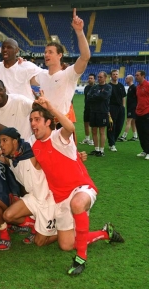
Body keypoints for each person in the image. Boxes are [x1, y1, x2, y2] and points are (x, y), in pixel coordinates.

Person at [29, 93, 124, 275]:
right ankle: (105, 233)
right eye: (31, 120)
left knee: (77, 204)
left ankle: (81, 259)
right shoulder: (35, 147)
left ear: (48, 122)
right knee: (66, 245)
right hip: (60, 198)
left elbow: (70, 126)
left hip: (81, 188)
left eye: (37, 119)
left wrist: (50, 107)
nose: (33, 124)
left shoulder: (59, 136)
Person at [31, 8, 90, 120]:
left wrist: (79, 32)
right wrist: (20, 62)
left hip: (61, 124)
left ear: (60, 55)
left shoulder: (68, 74)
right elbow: (24, 76)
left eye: (50, 52)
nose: (46, 55)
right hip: (45, 124)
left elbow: (85, 57)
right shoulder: (41, 75)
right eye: (45, 52)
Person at [86, 72, 112, 157]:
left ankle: (102, 150)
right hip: (93, 111)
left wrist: (96, 96)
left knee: (101, 131)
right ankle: (96, 149)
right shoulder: (94, 87)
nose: (99, 78)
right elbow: (89, 97)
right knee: (93, 131)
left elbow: (104, 97)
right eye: (98, 77)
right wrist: (98, 96)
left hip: (103, 111)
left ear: (105, 78)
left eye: (101, 77)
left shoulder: (108, 87)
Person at [107, 69, 127, 152]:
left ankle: (113, 141)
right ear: (111, 76)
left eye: (116, 74)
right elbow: (106, 99)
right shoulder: (108, 86)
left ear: (118, 75)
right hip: (111, 108)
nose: (115, 75)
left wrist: (123, 107)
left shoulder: (121, 86)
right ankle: (112, 144)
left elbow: (123, 97)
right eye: (114, 74)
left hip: (120, 108)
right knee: (111, 126)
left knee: (119, 126)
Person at [118, 75, 138, 142]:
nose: (125, 79)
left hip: (132, 107)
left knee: (128, 121)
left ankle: (124, 136)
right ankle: (135, 136)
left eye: (126, 78)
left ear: (130, 79)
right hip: (131, 107)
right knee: (133, 122)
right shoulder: (130, 88)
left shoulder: (134, 88)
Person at [134, 70, 149, 160]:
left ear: (143, 76)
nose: (136, 77)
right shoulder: (138, 87)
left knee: (147, 132)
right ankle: (144, 150)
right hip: (138, 112)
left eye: (138, 75)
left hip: (147, 112)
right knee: (140, 132)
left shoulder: (147, 85)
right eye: (136, 75)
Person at [80, 74, 96, 145]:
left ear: (94, 79)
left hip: (94, 109)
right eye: (89, 78)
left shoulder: (96, 87)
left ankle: (93, 139)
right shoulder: (86, 87)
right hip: (86, 108)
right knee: (86, 123)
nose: (89, 79)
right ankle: (87, 138)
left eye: (91, 78)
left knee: (93, 124)